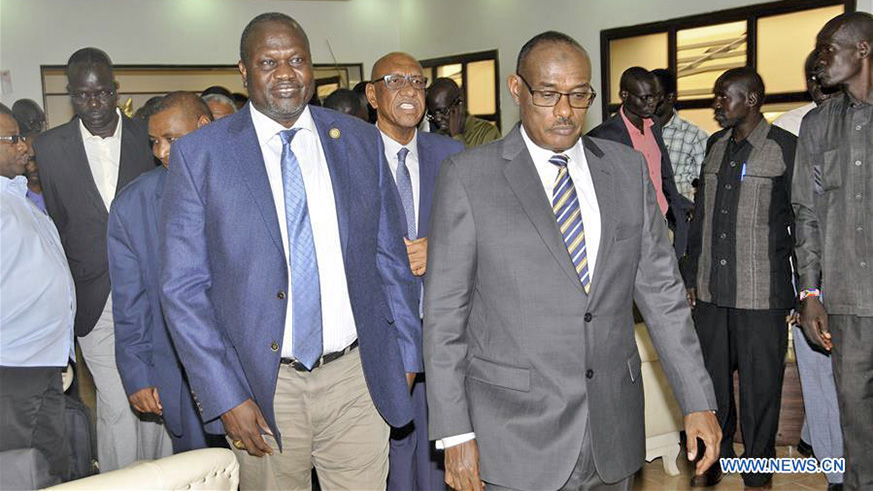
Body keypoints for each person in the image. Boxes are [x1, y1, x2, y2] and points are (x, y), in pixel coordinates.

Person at [424, 31, 720, 491]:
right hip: (514, 435)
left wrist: (697, 398)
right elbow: (445, 316)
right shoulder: (468, 176)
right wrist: (455, 432)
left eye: (579, 95)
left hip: (612, 431)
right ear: (517, 88)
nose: (565, 111)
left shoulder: (626, 170)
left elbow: (663, 294)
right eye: (548, 94)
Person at [160, 13, 421, 490]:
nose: (285, 73)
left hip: (357, 379)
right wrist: (225, 394)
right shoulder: (201, 156)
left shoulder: (360, 142)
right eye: (269, 62)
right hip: (262, 389)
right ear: (244, 70)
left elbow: (390, 261)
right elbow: (183, 290)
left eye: (297, 60)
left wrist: (406, 356)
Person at [33, 47, 169, 472]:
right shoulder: (49, 147)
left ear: (116, 90)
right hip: (95, 297)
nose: (93, 104)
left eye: (102, 93)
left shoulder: (147, 136)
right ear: (70, 94)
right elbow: (60, 222)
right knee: (118, 401)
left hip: (152, 293)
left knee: (159, 396)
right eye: (82, 95)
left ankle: (166, 478)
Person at [683, 68, 796, 489]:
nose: (716, 104)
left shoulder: (784, 148)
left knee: (760, 387)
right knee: (709, 384)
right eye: (715, 96)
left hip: (762, 293)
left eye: (723, 96)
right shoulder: (714, 146)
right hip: (712, 291)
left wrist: (806, 290)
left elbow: (803, 221)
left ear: (751, 100)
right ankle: (713, 459)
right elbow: (700, 220)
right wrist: (691, 276)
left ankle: (758, 471)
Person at [366, 52, 465, 491]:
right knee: (386, 457)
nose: (409, 89)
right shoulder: (349, 155)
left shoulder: (452, 154)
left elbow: (481, 231)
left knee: (438, 456)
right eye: (394, 80)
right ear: (372, 95)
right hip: (379, 336)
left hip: (441, 333)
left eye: (417, 81)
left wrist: (438, 248)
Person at [108, 92, 216, 454]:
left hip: (258, 375)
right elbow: (130, 302)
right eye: (155, 142)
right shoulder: (132, 206)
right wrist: (138, 373)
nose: (161, 152)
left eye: (172, 139)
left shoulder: (248, 185)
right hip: (182, 379)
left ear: (204, 127)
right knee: (198, 472)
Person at [794, 12, 873, 490]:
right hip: (847, 303)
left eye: (828, 49)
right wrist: (810, 293)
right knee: (857, 427)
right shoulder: (817, 125)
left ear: (862, 49)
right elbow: (807, 213)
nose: (819, 60)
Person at [772, 51, 844, 489]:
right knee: (818, 374)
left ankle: (821, 442)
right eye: (815, 80)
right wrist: (797, 289)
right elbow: (788, 215)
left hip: (854, 274)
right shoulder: (789, 127)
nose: (821, 85)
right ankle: (836, 469)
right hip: (807, 274)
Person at [0, 103, 75, 482]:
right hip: (11, 364)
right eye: (12, 138)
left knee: (49, 466)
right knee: (16, 471)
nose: (24, 146)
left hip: (43, 359)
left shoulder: (18, 198)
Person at [587, 66, 692, 258]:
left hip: (663, 223)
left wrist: (678, 213)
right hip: (631, 232)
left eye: (655, 97)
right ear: (624, 95)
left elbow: (663, 175)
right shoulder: (602, 137)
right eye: (644, 98)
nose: (652, 103)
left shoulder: (654, 124)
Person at [651, 69, 709, 202]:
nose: (648, 100)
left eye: (654, 95)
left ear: (670, 97)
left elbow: (704, 187)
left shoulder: (694, 137)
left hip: (680, 212)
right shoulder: (638, 133)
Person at [425, 77, 501, 148]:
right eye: (433, 113)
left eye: (443, 111)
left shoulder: (486, 133)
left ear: (459, 103)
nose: (438, 119)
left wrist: (457, 136)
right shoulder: (436, 138)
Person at [11, 99, 47, 211]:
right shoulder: (13, 193)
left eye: (41, 121)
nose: (38, 127)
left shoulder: (58, 190)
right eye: (32, 122)